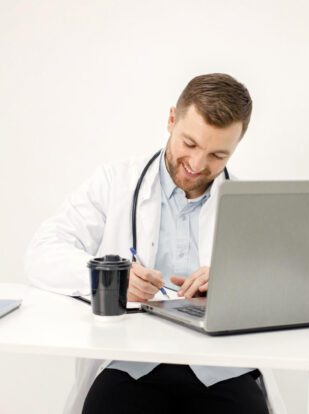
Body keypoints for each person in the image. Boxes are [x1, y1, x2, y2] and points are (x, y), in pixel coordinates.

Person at [25, 73, 282, 414]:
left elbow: (282, 287)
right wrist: (112, 280)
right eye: (189, 144)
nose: (197, 164)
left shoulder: (250, 205)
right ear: (171, 119)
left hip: (221, 367)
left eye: (218, 155)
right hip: (132, 363)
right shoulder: (115, 182)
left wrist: (233, 283)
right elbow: (43, 251)